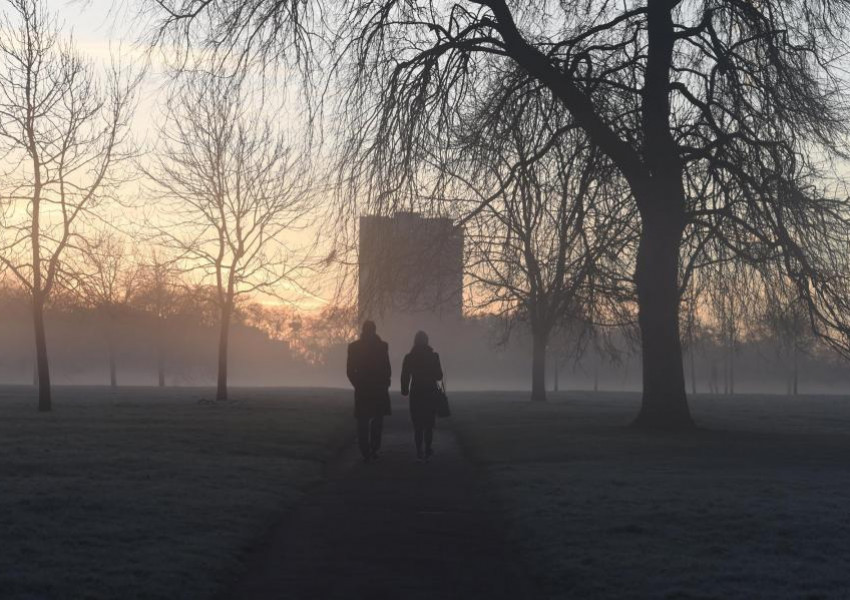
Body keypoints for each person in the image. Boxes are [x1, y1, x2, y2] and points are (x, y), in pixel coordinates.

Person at [346, 320, 392, 462]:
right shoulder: (382, 346)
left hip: (364, 389)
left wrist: (357, 384)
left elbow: (350, 371)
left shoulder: (354, 347)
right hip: (377, 388)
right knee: (376, 420)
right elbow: (387, 368)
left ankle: (365, 449)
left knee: (363, 421)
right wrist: (385, 383)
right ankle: (373, 448)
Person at [401, 330, 443, 461]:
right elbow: (439, 376)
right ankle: (428, 448)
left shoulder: (409, 357)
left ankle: (419, 449)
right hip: (430, 392)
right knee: (429, 424)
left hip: (416, 392)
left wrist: (404, 390)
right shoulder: (434, 356)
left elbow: (405, 375)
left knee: (418, 425)